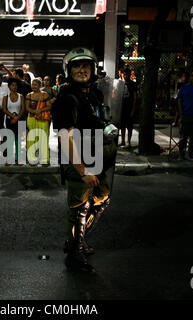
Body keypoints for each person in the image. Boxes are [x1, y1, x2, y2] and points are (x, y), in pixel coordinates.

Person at [51, 47, 118, 273]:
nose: (82, 70)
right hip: (79, 160)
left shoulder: (93, 93)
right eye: (77, 66)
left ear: (93, 68)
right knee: (80, 206)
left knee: (102, 199)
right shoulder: (66, 97)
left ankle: (75, 242)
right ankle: (74, 255)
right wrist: (83, 171)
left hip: (98, 157)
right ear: (68, 70)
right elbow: (66, 136)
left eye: (86, 65)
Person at [26, 78, 51, 165]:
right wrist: (34, 112)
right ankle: (31, 158)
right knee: (32, 139)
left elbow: (49, 106)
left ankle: (44, 159)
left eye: (35, 85)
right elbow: (27, 107)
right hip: (31, 118)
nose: (33, 86)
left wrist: (40, 110)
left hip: (42, 119)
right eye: (32, 85)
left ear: (40, 86)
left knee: (43, 138)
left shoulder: (45, 95)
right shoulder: (29, 95)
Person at [2, 78, 25, 165]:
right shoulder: (5, 97)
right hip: (9, 120)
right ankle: (9, 159)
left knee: (18, 140)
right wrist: (13, 117)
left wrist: (17, 118)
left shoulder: (21, 96)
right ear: (9, 86)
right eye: (12, 85)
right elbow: (4, 109)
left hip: (19, 120)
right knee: (10, 140)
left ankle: (19, 159)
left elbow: (23, 109)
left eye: (16, 85)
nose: (14, 87)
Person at [120, 68, 137, 149]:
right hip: (122, 107)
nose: (125, 76)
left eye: (127, 74)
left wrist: (133, 110)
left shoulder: (133, 84)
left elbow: (134, 98)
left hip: (129, 108)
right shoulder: (121, 84)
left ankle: (128, 142)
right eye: (124, 74)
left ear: (130, 75)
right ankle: (123, 141)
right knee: (122, 126)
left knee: (129, 126)